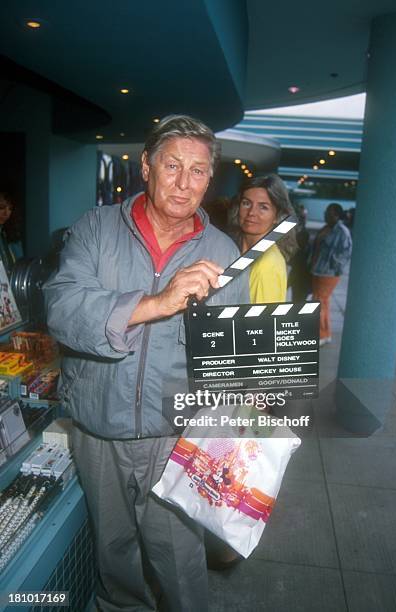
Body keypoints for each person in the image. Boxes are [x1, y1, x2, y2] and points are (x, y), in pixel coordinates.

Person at [43, 115, 249, 612]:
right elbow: (62, 309)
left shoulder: (223, 252)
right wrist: (157, 302)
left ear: (209, 179)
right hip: (99, 430)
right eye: (172, 165)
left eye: (198, 171)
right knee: (114, 554)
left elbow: (231, 362)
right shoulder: (94, 229)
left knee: (180, 557)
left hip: (174, 435)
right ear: (146, 167)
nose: (184, 183)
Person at [231, 174, 296, 303]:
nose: (251, 213)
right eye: (246, 203)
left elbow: (260, 323)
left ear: (277, 216)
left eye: (263, 207)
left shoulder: (265, 265)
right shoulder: (236, 251)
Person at [310, 203, 352, 346]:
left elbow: (345, 253)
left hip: (328, 273)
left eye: (329, 212)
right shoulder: (327, 228)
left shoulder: (342, 231)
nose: (325, 214)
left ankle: (322, 335)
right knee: (320, 301)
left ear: (336, 215)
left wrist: (332, 266)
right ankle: (325, 333)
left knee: (320, 301)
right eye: (325, 211)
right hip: (317, 270)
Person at [0, 190, 23, 275]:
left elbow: (20, 262)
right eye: (2, 207)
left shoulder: (10, 233)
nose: (6, 213)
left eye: (10, 209)